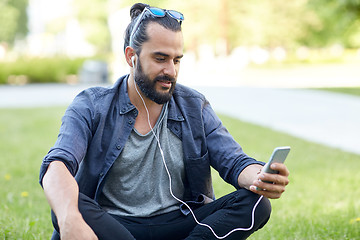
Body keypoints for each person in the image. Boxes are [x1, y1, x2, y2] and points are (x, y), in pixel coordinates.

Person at [39, 3, 290, 240]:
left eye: (176, 59)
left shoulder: (194, 105)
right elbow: (57, 165)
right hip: (114, 225)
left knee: (256, 203)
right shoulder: (92, 105)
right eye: (160, 58)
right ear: (131, 56)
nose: (171, 70)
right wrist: (70, 218)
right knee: (67, 201)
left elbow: (234, 161)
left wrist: (261, 178)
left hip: (180, 220)